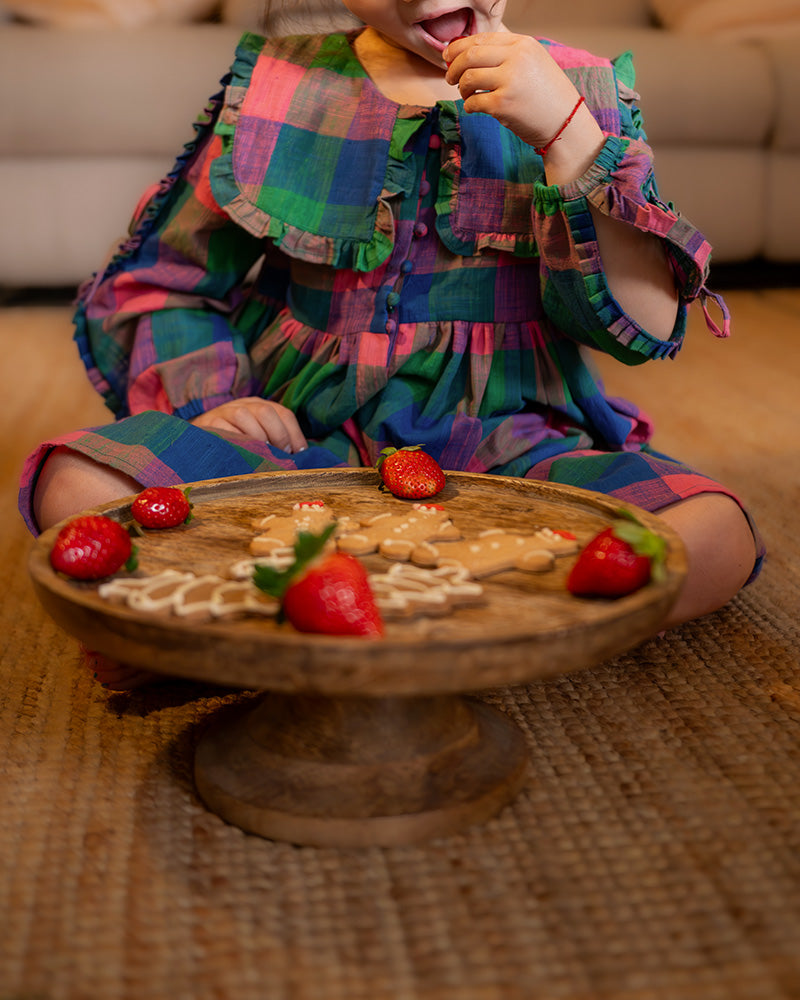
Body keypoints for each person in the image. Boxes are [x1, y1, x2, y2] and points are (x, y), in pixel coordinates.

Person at [20, 0, 762, 688]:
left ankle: (277, 612)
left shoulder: (582, 93)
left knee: (711, 535)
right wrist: (215, 403)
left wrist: (569, 139)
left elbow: (639, 330)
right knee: (80, 483)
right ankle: (409, 614)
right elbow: (166, 281)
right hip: (298, 445)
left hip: (508, 447)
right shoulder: (285, 86)